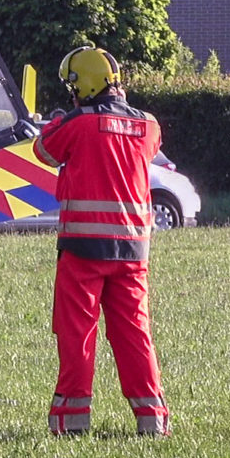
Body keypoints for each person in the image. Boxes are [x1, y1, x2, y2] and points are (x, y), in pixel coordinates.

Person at [32, 47, 168, 437]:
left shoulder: (77, 123)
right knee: (135, 333)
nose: (71, 96)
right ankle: (152, 419)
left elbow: (44, 150)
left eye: (72, 87)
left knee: (78, 335)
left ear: (85, 85)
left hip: (83, 250)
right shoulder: (150, 126)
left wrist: (56, 120)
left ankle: (71, 422)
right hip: (133, 251)